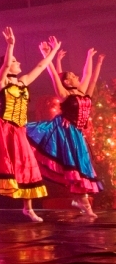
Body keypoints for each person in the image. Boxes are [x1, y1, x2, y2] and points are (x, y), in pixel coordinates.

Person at [25, 43, 103, 218]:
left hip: (77, 132)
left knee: (80, 166)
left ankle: (78, 199)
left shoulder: (81, 91)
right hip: (65, 132)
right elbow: (54, 76)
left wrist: (90, 58)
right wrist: (48, 55)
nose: (77, 77)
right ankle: (85, 204)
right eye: (73, 76)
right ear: (67, 82)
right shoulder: (65, 94)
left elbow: (89, 75)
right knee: (75, 165)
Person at [0, 27, 59, 221]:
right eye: (14, 61)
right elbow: (3, 68)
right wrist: (10, 45)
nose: (18, 62)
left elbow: (40, 66)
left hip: (19, 130)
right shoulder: (1, 80)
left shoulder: (23, 81)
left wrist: (51, 52)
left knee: (26, 165)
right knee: (9, 166)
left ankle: (28, 208)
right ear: (6, 65)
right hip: (5, 128)